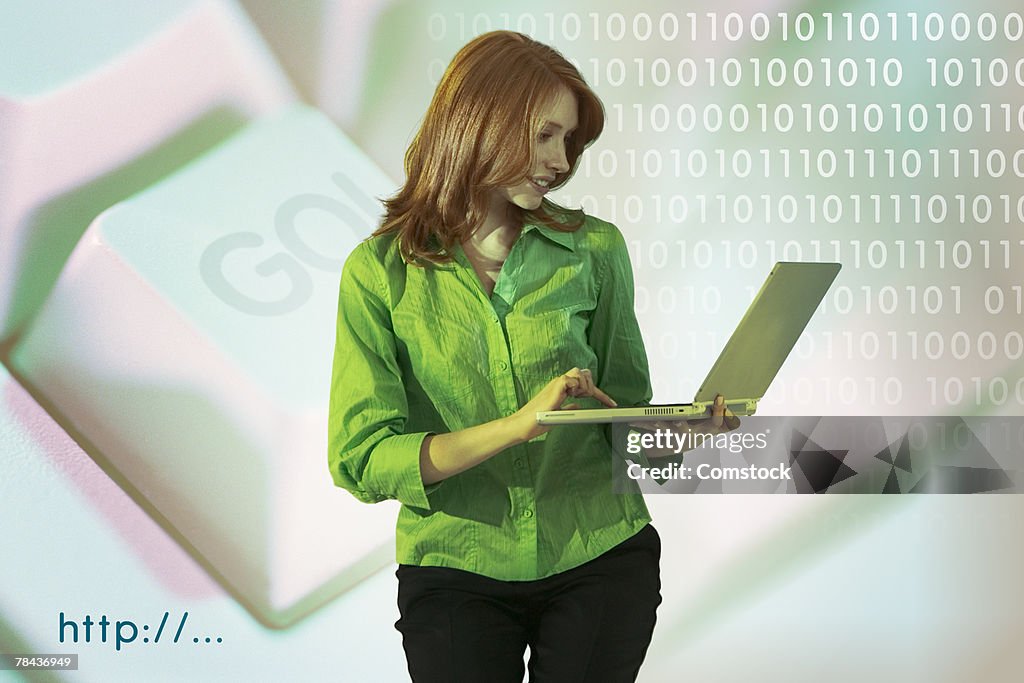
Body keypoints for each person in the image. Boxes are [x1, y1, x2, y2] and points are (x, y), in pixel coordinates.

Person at [328, 30, 731, 682]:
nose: (559, 159)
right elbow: (363, 458)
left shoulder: (596, 250)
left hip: (600, 551)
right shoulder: (378, 274)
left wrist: (683, 431)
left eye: (569, 140)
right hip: (455, 566)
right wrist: (519, 425)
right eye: (544, 135)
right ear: (478, 123)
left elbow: (621, 416)